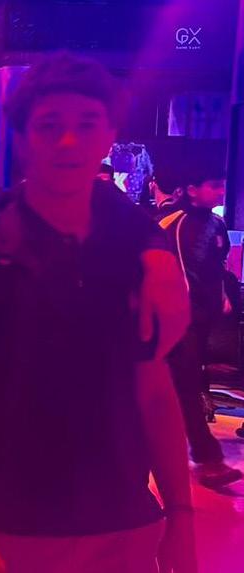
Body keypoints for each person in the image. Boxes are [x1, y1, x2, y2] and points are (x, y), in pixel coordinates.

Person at [0, 53, 197, 573]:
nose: (68, 142)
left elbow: (154, 392)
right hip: (13, 531)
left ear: (109, 135)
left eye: (87, 124)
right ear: (23, 139)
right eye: (49, 126)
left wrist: (181, 513)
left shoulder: (129, 256)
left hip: (126, 523)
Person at [157, 171, 242, 488]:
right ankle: (208, 459)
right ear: (192, 190)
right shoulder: (173, 223)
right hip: (178, 318)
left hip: (203, 317)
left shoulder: (217, 224)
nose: (220, 192)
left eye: (223, 186)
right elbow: (173, 272)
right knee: (187, 383)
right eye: (215, 186)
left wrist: (221, 297)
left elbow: (217, 266)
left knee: (181, 383)